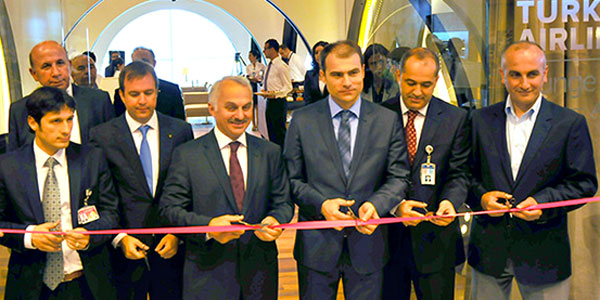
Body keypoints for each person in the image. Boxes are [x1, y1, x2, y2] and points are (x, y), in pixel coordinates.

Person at [468, 41, 597, 299]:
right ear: (503, 75)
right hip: (489, 251)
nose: (524, 83)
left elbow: (584, 183)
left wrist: (543, 202)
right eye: (515, 74)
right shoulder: (479, 120)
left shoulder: (569, 123)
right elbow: (464, 176)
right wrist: (481, 198)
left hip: (545, 254)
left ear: (545, 74)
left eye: (532, 74)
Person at [283, 40, 411, 299]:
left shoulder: (386, 121)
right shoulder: (302, 120)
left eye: (353, 73)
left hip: (368, 244)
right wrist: (321, 205)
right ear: (322, 76)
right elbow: (292, 179)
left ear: (363, 71)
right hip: (316, 246)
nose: (347, 82)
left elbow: (398, 177)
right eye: (337, 75)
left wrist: (376, 205)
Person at [160, 76, 294, 299]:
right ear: (212, 109)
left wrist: (275, 220)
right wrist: (209, 227)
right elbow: (169, 210)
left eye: (246, 107)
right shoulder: (187, 155)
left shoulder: (270, 152)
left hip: (259, 273)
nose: (240, 115)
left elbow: (283, 202)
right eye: (231, 107)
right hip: (207, 273)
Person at [0, 86, 120, 299]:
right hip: (32, 282)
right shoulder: (8, 167)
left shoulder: (91, 159)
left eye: (70, 119)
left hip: (87, 280)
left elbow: (111, 213)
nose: (66, 129)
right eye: (56, 121)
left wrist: (90, 235)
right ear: (32, 123)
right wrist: (30, 236)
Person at [89, 61, 194, 300]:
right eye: (134, 94)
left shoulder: (180, 131)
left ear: (157, 92)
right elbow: (100, 195)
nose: (142, 101)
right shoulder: (102, 136)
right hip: (125, 250)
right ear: (122, 96)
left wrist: (179, 233)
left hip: (171, 246)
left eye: (148, 93)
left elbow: (189, 188)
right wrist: (119, 238)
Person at [381, 48, 470, 300]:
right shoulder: (377, 116)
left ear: (436, 82)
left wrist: (449, 203)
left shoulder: (455, 118)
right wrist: (395, 206)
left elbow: (459, 173)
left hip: (436, 242)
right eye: (410, 83)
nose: (417, 91)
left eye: (426, 85)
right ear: (398, 75)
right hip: (387, 242)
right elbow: (371, 175)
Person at [8, 40, 114, 152]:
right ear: (34, 74)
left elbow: (112, 149)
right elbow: (15, 160)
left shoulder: (98, 100)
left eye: (60, 63)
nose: (56, 73)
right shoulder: (20, 110)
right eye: (46, 66)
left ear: (69, 65)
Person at [113, 47, 186, 120]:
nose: (141, 65)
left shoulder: (171, 90)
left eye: (145, 61)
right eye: (137, 62)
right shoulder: (122, 92)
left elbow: (180, 123)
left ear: (154, 63)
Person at [262, 39, 292, 147]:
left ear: (273, 49)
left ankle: (283, 156)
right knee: (271, 130)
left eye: (266, 49)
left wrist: (275, 93)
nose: (264, 51)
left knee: (279, 132)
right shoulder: (269, 66)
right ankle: (275, 154)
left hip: (278, 102)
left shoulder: (281, 65)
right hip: (269, 101)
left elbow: (288, 86)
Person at [303, 41, 329, 105]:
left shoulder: (336, 73)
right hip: (314, 111)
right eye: (316, 53)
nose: (319, 55)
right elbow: (307, 98)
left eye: (322, 51)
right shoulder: (310, 74)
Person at [246, 49, 266, 130]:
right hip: (251, 85)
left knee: (259, 106)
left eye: (250, 56)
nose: (249, 58)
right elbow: (248, 75)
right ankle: (253, 125)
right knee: (252, 106)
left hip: (259, 85)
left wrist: (259, 79)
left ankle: (259, 123)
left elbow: (263, 76)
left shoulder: (261, 66)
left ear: (255, 56)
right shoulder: (248, 67)